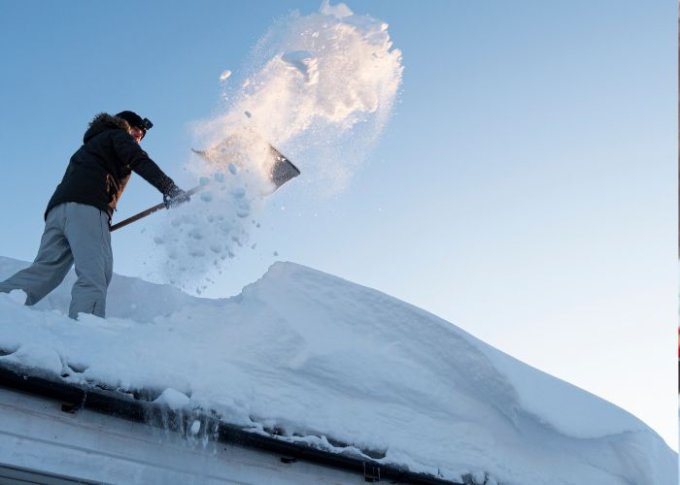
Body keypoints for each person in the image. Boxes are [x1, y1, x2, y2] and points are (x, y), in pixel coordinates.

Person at [0, 111, 189, 319]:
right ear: (125, 126)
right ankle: (85, 332)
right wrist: (169, 188)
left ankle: (3, 305)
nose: (138, 138)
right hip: (88, 208)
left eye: (141, 137)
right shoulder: (117, 136)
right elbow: (139, 160)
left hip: (58, 210)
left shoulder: (89, 146)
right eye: (136, 131)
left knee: (45, 271)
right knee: (95, 274)